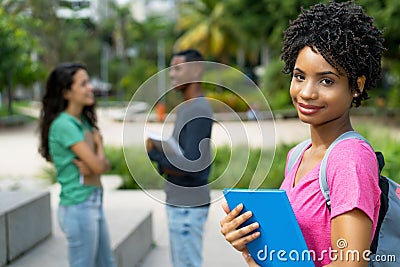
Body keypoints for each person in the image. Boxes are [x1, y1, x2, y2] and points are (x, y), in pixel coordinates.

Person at [220, 1, 385, 267]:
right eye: (299, 76)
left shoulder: (349, 160)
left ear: (357, 85)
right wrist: (247, 238)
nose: (306, 92)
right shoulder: (298, 155)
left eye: (326, 80)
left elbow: (350, 263)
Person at [39, 62, 116, 267]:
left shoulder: (82, 120)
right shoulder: (64, 125)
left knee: (107, 263)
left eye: (88, 82)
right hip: (79, 206)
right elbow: (100, 167)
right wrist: (99, 146)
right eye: (83, 84)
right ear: (66, 93)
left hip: (92, 202)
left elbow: (102, 166)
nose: (90, 87)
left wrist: (97, 163)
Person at [146, 49, 213, 267]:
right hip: (181, 204)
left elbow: (190, 166)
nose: (172, 75)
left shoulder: (198, 108)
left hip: (187, 208)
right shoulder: (187, 107)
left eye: (177, 69)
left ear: (196, 70)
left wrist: (154, 153)